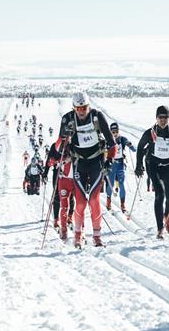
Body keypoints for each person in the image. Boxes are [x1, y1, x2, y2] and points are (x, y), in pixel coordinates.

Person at [58, 93, 116, 247]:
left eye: (84, 108)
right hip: (80, 163)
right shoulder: (68, 119)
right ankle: (78, 235)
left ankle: (97, 236)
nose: (82, 111)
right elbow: (59, 146)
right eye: (78, 108)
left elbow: (112, 142)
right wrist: (64, 137)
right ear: (74, 108)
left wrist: (109, 160)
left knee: (94, 200)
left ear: (89, 106)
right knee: (81, 202)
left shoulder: (97, 117)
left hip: (96, 162)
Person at [135, 105, 169, 238]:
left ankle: (166, 215)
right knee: (159, 195)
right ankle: (160, 229)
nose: (163, 120)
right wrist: (139, 165)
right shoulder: (150, 132)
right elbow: (140, 148)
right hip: (154, 165)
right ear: (156, 118)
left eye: (165, 117)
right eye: (160, 117)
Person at [107, 121, 135, 216]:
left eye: (116, 132)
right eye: (113, 132)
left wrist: (130, 145)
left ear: (118, 131)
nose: (114, 134)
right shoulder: (108, 140)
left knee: (122, 184)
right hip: (111, 164)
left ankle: (123, 204)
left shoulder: (122, 139)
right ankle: (108, 201)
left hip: (120, 164)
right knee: (110, 184)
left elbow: (133, 148)